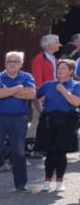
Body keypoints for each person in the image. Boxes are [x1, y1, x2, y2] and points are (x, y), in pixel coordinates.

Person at [0, 52, 36, 192]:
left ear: (21, 64)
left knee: (19, 153)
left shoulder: (27, 77)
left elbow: (32, 94)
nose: (12, 64)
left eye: (16, 61)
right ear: (5, 63)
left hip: (19, 119)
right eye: (9, 61)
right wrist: (18, 88)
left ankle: (21, 185)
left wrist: (8, 91)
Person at [35, 57, 80, 193]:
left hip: (67, 121)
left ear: (71, 71)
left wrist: (63, 90)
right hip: (49, 120)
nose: (60, 71)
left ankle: (60, 181)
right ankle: (47, 181)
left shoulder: (76, 85)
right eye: (59, 68)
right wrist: (40, 109)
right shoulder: (48, 85)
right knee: (50, 152)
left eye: (64, 68)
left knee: (61, 152)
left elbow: (76, 102)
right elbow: (35, 96)